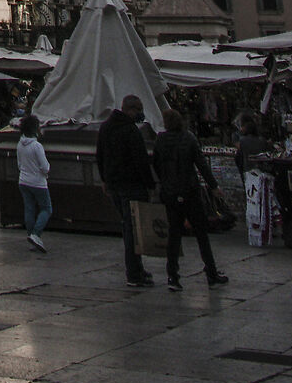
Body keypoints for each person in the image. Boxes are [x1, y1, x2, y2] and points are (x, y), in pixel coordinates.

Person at [152, 106, 228, 292]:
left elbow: (156, 165)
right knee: (201, 234)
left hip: (170, 193)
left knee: (174, 235)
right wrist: (214, 186)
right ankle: (211, 273)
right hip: (190, 192)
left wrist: (164, 183)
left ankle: (173, 276)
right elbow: (201, 164)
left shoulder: (160, 140)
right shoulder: (189, 138)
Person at [96, 94, 157, 288]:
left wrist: (104, 179)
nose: (140, 114)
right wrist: (151, 185)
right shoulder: (131, 131)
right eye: (138, 110)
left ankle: (137, 269)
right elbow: (140, 160)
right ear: (130, 110)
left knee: (128, 227)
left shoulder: (105, 127)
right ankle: (134, 273)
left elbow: (100, 155)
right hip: (132, 185)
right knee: (133, 231)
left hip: (114, 185)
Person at [16, 115, 51, 253]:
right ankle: (36, 234)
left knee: (29, 209)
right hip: (38, 182)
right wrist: (47, 170)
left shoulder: (20, 144)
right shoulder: (37, 146)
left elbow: (19, 164)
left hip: (23, 181)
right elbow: (44, 166)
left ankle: (31, 236)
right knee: (46, 209)